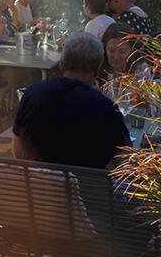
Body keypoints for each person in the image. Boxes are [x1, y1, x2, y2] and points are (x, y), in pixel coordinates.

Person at [12, 32, 130, 169]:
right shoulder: (106, 108)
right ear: (97, 70)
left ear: (62, 64)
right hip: (90, 188)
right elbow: (125, 162)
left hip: (37, 186)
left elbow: (17, 150)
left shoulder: (33, 94)